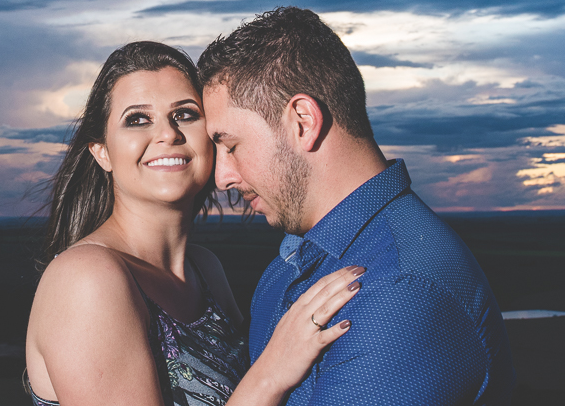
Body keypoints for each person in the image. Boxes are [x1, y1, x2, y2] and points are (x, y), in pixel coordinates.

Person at [197, 7, 515, 406]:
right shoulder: (289, 266)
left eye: (231, 145)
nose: (222, 176)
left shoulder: (397, 294)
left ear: (302, 121)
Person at [26, 41, 366, 406]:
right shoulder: (87, 278)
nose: (168, 134)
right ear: (102, 152)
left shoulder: (205, 269)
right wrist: (272, 373)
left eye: (186, 114)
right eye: (137, 119)